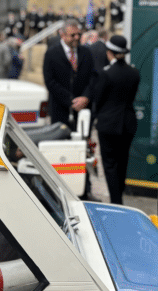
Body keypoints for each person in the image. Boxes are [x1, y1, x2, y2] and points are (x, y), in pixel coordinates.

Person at [42, 18, 98, 200]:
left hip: (82, 112)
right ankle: (59, 189)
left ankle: (85, 188)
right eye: (72, 35)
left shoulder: (86, 53)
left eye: (78, 34)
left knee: (84, 148)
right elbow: (50, 81)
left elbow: (93, 78)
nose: (76, 38)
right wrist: (70, 100)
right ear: (62, 34)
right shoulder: (52, 53)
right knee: (61, 148)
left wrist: (86, 98)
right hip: (61, 110)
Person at [92, 35, 140, 205]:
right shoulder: (134, 73)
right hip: (127, 123)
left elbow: (99, 100)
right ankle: (118, 196)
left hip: (108, 125)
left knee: (110, 165)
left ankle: (116, 201)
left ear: (109, 53)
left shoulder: (106, 74)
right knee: (122, 162)